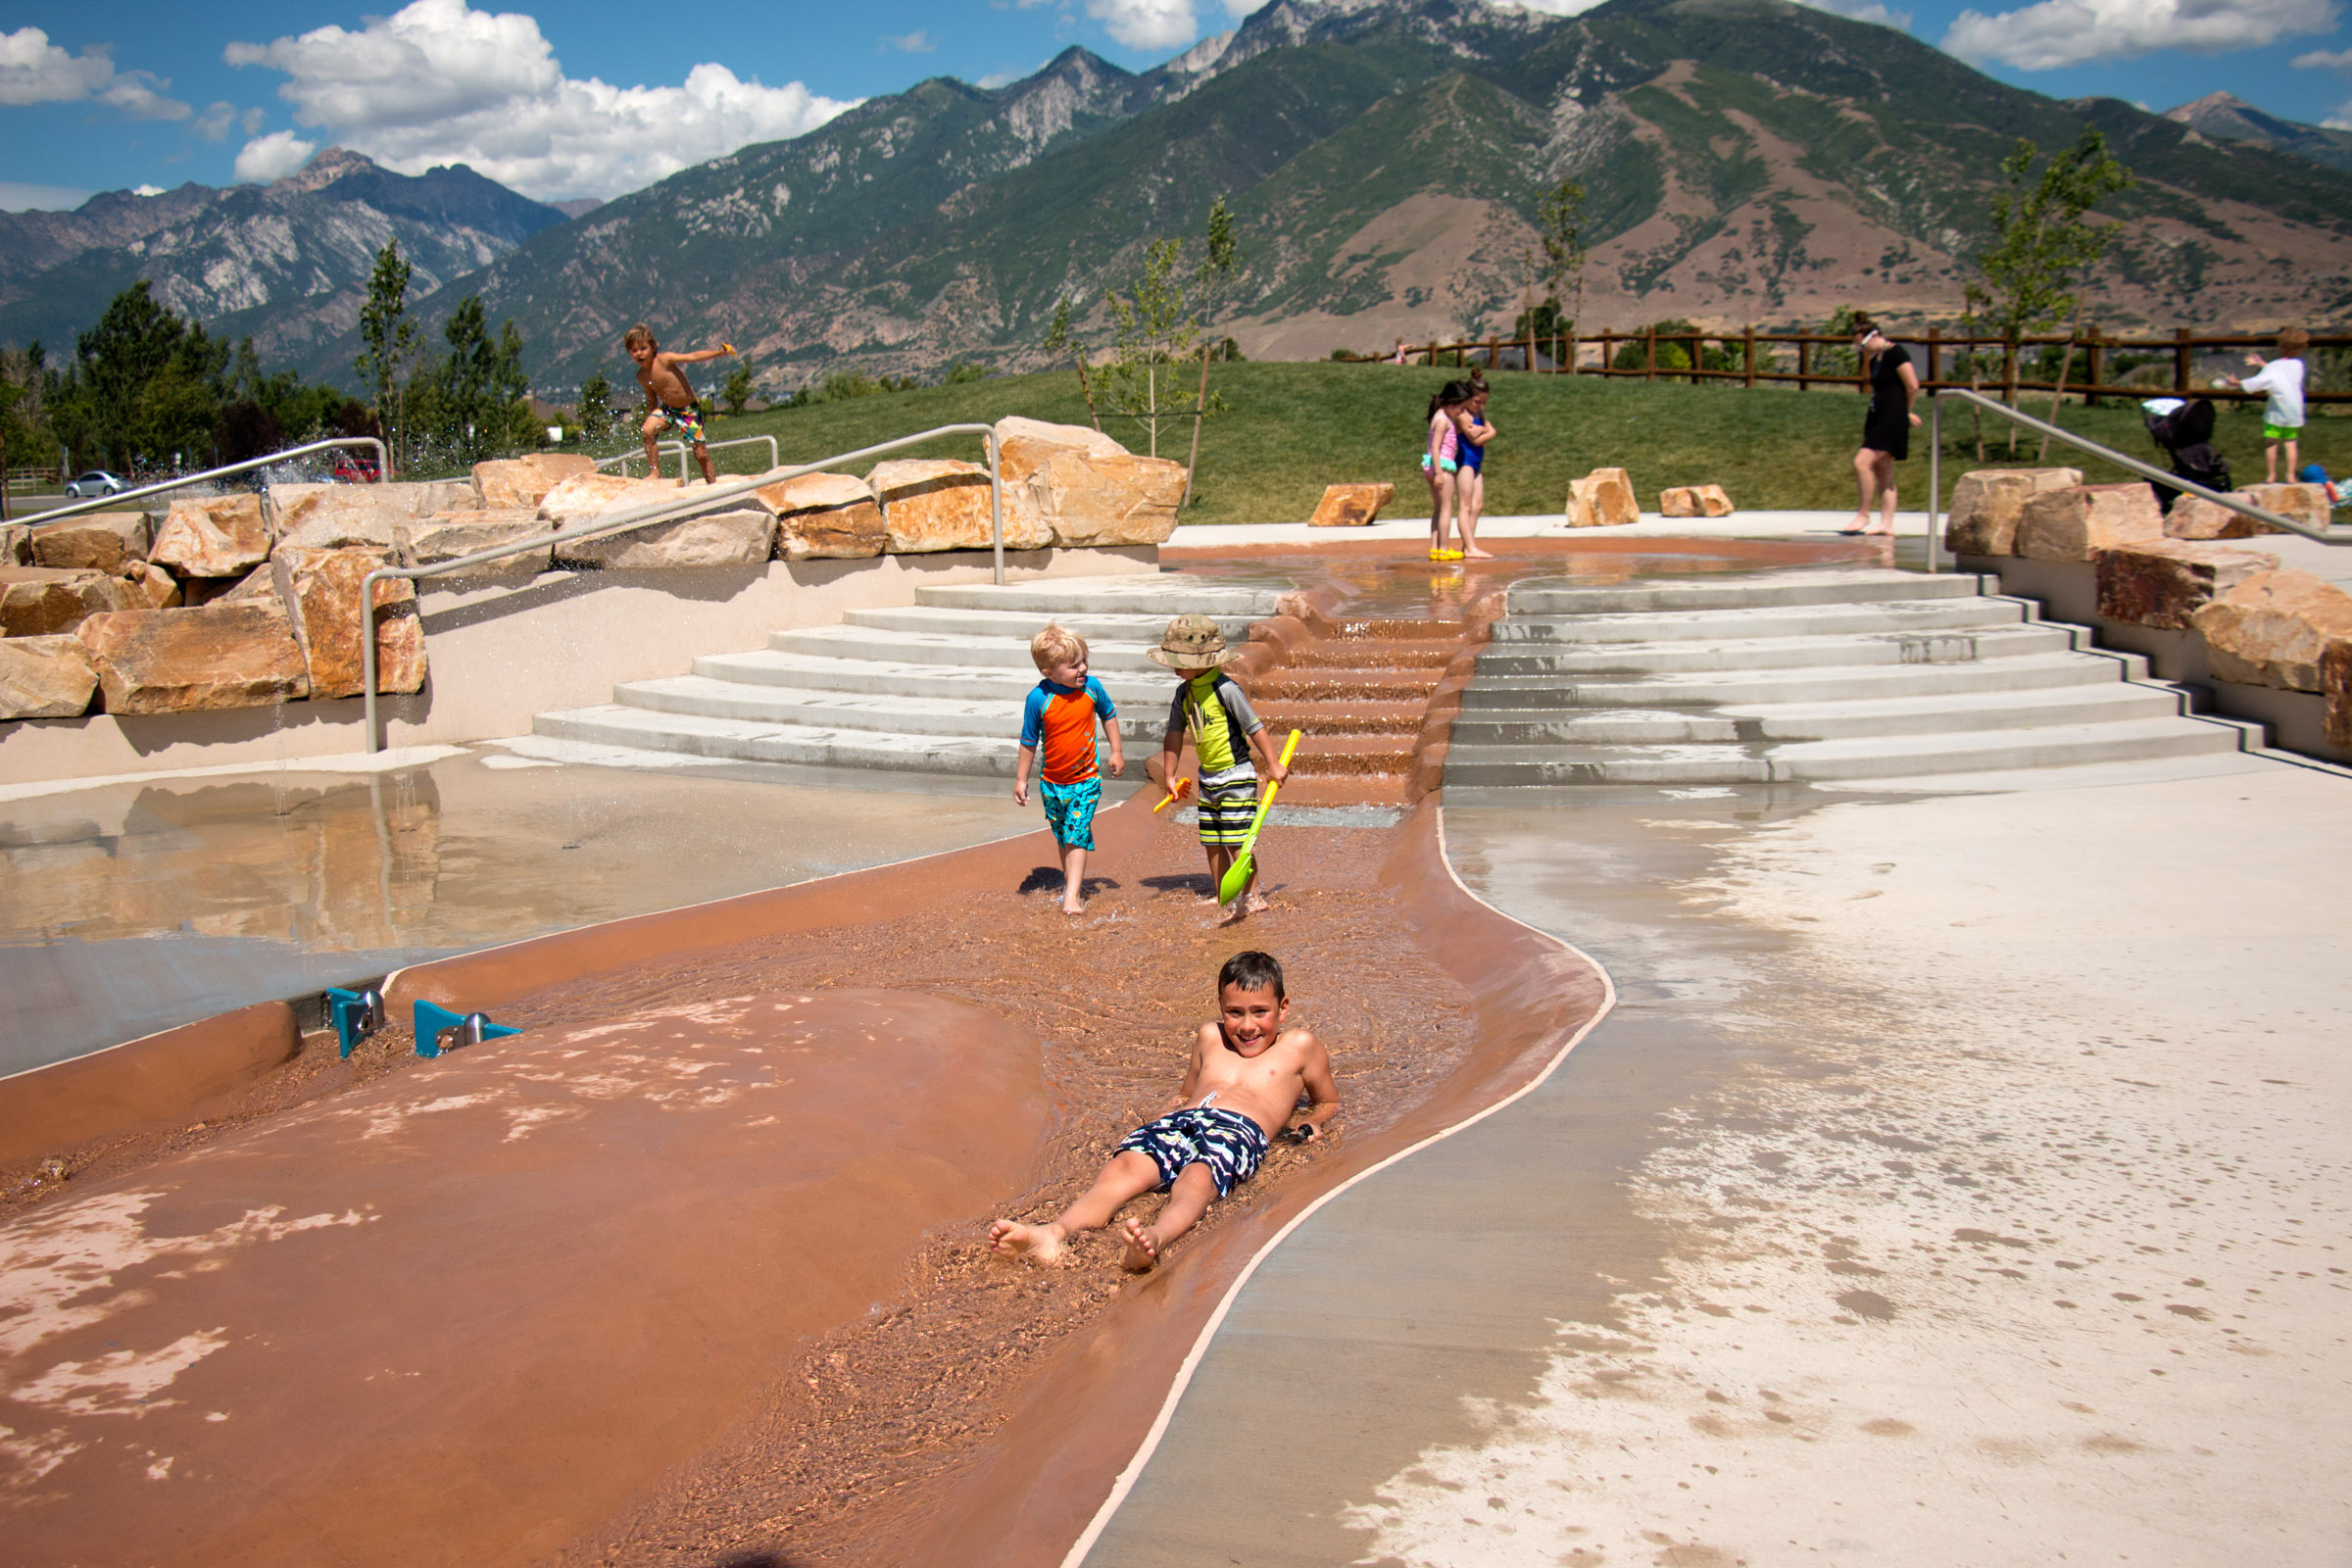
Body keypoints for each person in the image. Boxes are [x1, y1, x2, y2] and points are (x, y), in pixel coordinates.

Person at [988, 950, 1338, 1272]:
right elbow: (1185, 1093)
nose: (1247, 1026)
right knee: (1121, 1169)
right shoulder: (1209, 1037)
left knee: (1197, 1181)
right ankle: (1054, 1232)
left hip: (1237, 1130)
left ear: (1283, 1008)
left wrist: (1312, 1121)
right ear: (1220, 1007)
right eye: (1235, 1013)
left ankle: (1154, 1238)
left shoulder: (1299, 1046)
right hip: (1182, 1122)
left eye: (1260, 1012)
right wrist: (1157, 1122)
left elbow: (1329, 1101)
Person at [1150, 614, 1290, 923]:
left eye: (1179, 660)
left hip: (1237, 774)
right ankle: (1222, 893)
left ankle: (1253, 896)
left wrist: (1274, 763)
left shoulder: (1225, 689)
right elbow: (1173, 735)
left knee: (1237, 841)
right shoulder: (1183, 694)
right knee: (1212, 841)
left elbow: (1254, 726)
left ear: (1202, 661)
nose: (1174, 666)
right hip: (1208, 776)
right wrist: (1170, 776)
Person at [1013, 624, 1123, 915]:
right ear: (1048, 672)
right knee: (1063, 835)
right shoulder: (1038, 699)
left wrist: (1116, 751)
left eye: (1084, 661)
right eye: (1074, 665)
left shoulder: (1091, 688)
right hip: (1051, 783)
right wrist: (1021, 780)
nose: (1083, 668)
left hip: (1085, 779)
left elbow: (1109, 715)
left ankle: (1071, 897)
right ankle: (1071, 884)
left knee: (1076, 833)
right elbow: (1028, 742)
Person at [623, 323, 735, 484]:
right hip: (668, 410)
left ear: (653, 347)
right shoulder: (641, 376)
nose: (639, 353)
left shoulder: (664, 360)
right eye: (634, 350)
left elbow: (693, 356)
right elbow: (652, 398)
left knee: (701, 454)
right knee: (647, 430)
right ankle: (655, 472)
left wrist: (719, 352)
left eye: (643, 348)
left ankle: (712, 484)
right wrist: (653, 418)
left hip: (688, 411)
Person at [1844, 315, 1921, 537]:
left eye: (1863, 344)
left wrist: (1906, 413)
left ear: (1874, 335)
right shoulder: (1875, 360)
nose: (1862, 349)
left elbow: (1912, 385)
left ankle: (1863, 513)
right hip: (1877, 416)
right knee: (1883, 470)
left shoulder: (1896, 354)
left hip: (1891, 419)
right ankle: (1886, 523)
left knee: (1861, 463)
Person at [2223, 328, 2308, 484]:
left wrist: (2236, 383)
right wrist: (2262, 363)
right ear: (2301, 348)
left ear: (2280, 347)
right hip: (2294, 412)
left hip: (2277, 412)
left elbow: (2264, 380)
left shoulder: (2273, 367)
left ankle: (2271, 475)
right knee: (2291, 443)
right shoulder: (2298, 365)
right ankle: (2290, 475)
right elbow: (2280, 373)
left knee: (2271, 442)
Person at [1450, 373, 1497, 561]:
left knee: (1477, 505)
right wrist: (1489, 432)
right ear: (1468, 397)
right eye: (1477, 401)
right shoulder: (1463, 415)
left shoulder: (1479, 414)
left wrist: (1487, 430)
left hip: (1477, 463)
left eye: (1484, 402)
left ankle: (1467, 545)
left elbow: (1487, 431)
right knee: (1465, 505)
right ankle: (1470, 547)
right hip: (1465, 462)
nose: (1481, 406)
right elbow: (1476, 440)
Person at [1422, 379, 1470, 561]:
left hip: (1431, 466)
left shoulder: (1439, 416)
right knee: (1446, 509)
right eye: (1461, 408)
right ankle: (1443, 547)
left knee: (1438, 509)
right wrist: (1440, 473)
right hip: (1442, 466)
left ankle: (1434, 547)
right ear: (1452, 403)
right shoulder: (1443, 420)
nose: (1461, 413)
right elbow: (1436, 447)